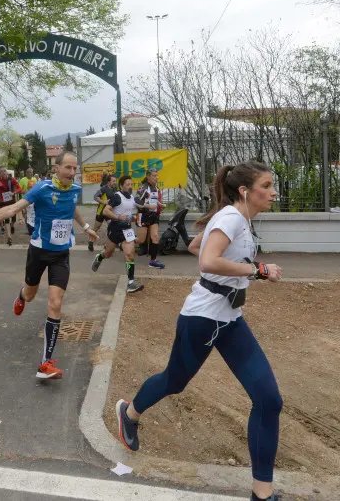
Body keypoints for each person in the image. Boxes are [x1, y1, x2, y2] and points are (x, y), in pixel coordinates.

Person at [113, 161, 284, 501]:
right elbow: (207, 261)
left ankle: (262, 494)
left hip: (230, 318)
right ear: (245, 191)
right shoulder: (233, 217)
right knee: (175, 381)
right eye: (267, 185)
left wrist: (235, 270)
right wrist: (258, 270)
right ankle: (128, 413)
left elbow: (195, 248)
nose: (274, 192)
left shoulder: (234, 217)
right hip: (203, 318)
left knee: (268, 400)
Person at [0, 151, 98, 380]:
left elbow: (73, 209)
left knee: (55, 303)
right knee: (31, 295)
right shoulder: (41, 189)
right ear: (56, 168)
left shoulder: (74, 190)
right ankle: (21, 296)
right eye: (68, 168)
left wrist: (86, 226)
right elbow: (12, 208)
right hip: (39, 252)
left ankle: (46, 363)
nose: (72, 172)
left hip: (61, 254)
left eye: (75, 168)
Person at [90, 175, 152, 294]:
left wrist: (136, 218)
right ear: (121, 185)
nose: (130, 187)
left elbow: (132, 212)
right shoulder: (116, 197)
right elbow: (105, 211)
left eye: (131, 185)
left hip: (127, 230)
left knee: (130, 254)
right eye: (127, 185)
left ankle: (131, 283)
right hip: (115, 230)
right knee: (108, 253)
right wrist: (118, 217)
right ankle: (99, 257)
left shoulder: (132, 198)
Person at [134, 169, 165, 269]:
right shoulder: (143, 188)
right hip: (143, 216)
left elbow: (153, 200)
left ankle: (153, 261)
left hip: (154, 217)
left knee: (155, 237)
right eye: (154, 176)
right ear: (148, 177)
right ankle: (126, 240)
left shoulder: (155, 187)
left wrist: (160, 204)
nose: (157, 177)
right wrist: (148, 206)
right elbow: (136, 201)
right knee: (141, 240)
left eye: (157, 175)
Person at [0, 167, 23, 246]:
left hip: (11, 202)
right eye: (1, 171)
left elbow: (19, 188)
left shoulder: (11, 180)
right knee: (6, 219)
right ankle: (9, 238)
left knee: (13, 219)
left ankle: (12, 225)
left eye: (4, 171)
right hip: (2, 203)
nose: (3, 172)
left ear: (7, 172)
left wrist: (14, 192)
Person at [89, 173, 118, 252]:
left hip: (109, 212)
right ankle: (91, 242)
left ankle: (107, 245)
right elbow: (95, 197)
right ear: (108, 182)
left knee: (111, 227)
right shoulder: (103, 188)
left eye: (115, 181)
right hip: (101, 212)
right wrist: (103, 201)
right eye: (113, 181)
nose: (115, 182)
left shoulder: (115, 189)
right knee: (96, 228)